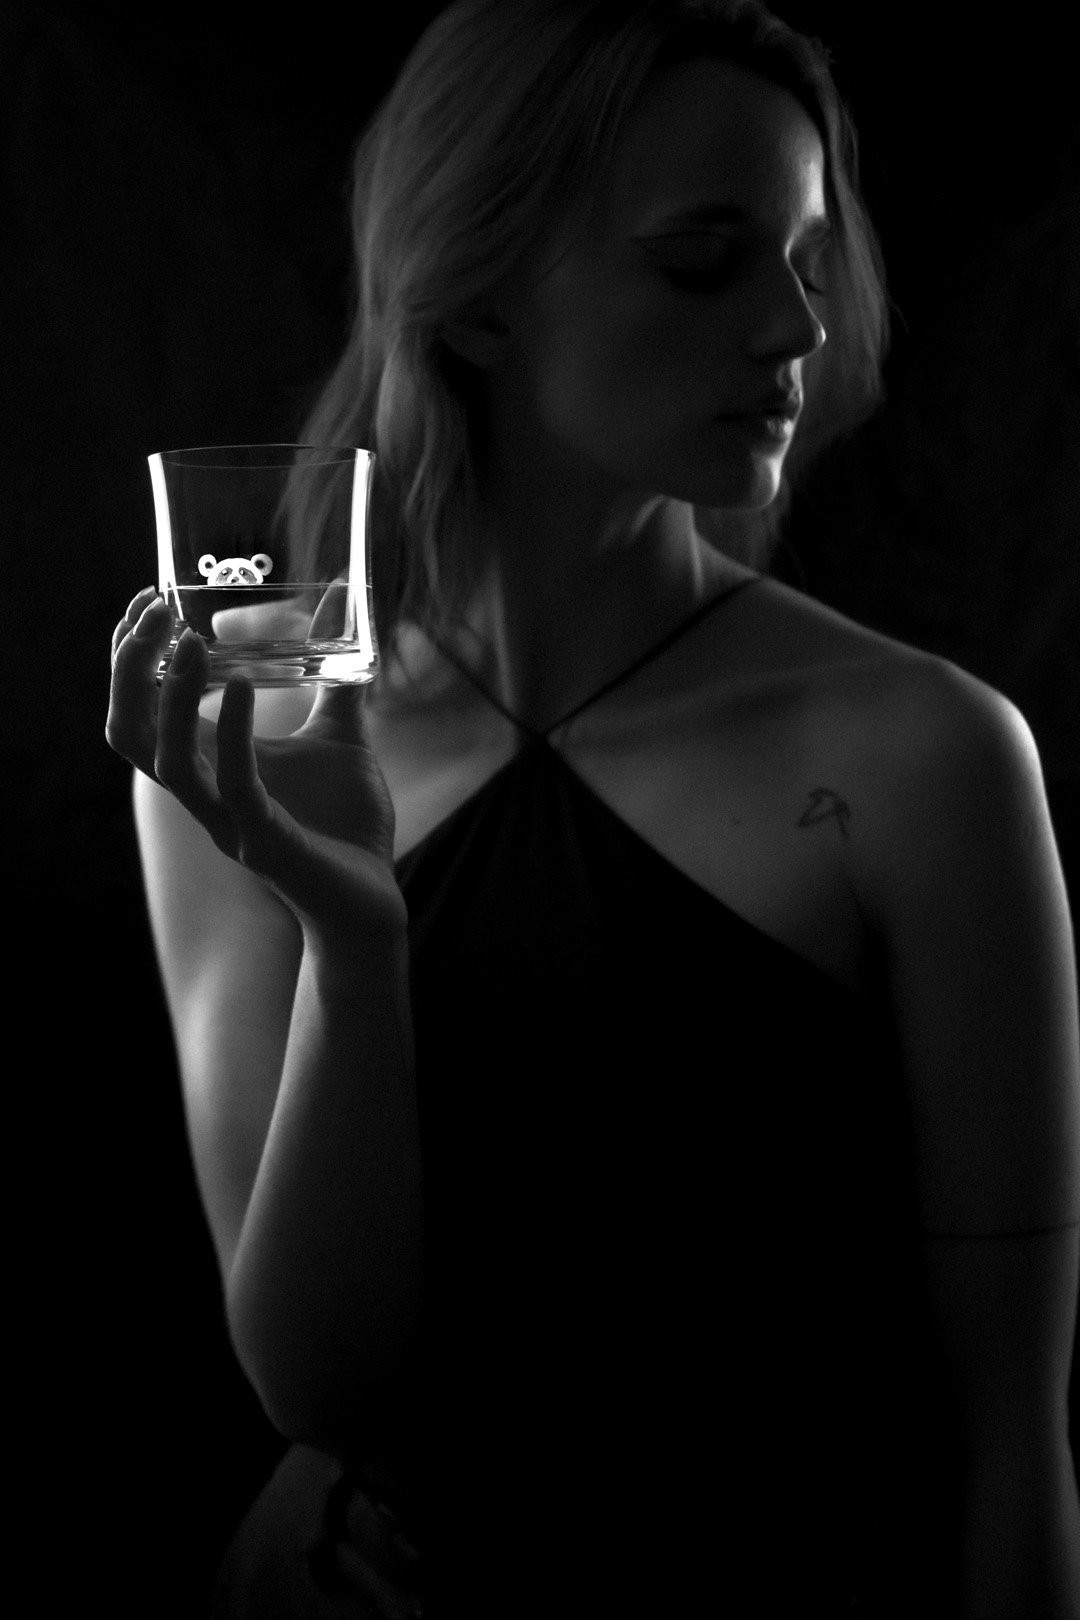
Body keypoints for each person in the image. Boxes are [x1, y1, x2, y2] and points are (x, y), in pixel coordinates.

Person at [106, 1, 1080, 1614]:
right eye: (704, 258)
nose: (797, 327)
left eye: (808, 259)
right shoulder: (245, 741)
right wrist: (354, 937)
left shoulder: (925, 758)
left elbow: (1011, 1443)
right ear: (478, 295)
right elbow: (319, 1391)